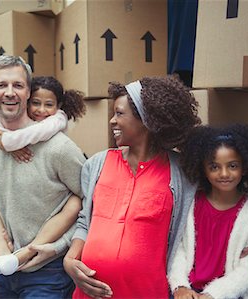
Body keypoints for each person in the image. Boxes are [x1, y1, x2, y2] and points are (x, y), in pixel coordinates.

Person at [63, 75, 201, 298]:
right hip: (89, 294)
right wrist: (70, 260)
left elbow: (201, 222)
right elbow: (85, 221)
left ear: (146, 119)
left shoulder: (181, 173)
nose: (112, 121)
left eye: (119, 113)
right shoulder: (96, 164)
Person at [0, 55, 86, 298]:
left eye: (18, 85)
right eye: (1, 85)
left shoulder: (59, 147)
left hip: (49, 271)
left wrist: (57, 247)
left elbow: (92, 203)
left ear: (28, 92)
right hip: (4, 268)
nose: (9, 92)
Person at [168, 124, 248, 299]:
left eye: (232, 166)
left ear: (245, 167)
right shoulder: (191, 204)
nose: (224, 173)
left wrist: (213, 294)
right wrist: (180, 286)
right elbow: (178, 249)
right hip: (187, 292)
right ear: (203, 169)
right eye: (214, 167)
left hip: (227, 294)